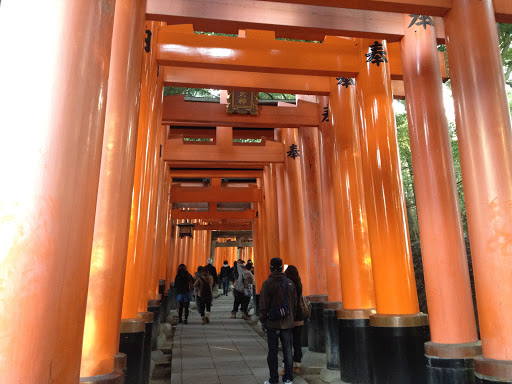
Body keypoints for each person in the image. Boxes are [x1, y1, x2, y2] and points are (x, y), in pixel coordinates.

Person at [259, 257, 297, 384]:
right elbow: (294, 304)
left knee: (273, 353)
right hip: (287, 323)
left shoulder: (267, 284)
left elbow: (263, 304)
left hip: (272, 323)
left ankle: (273, 379)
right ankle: (288, 378)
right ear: (282, 268)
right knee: (288, 352)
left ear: (270, 268)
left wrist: (262, 320)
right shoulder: (290, 283)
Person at [284, 265, 304, 375]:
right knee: (297, 342)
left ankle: (287, 366)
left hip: (288, 315)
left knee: (287, 342)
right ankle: (298, 365)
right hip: (299, 315)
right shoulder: (299, 284)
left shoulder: (286, 284)